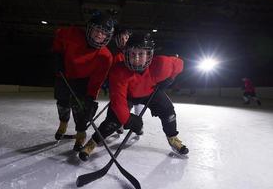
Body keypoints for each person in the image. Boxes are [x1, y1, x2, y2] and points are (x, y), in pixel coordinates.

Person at [78, 33, 189, 161]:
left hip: (150, 93)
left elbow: (179, 64)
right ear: (126, 54)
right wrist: (128, 120)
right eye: (132, 54)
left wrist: (170, 78)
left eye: (141, 54)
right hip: (128, 96)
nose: (136, 59)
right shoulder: (119, 71)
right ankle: (93, 142)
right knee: (113, 121)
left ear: (149, 55)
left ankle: (172, 138)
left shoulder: (161, 64)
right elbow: (118, 100)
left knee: (168, 111)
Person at [52, 11, 115, 151]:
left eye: (104, 33)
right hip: (65, 75)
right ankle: (63, 123)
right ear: (89, 29)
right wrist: (57, 55)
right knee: (62, 102)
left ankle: (81, 133)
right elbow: (58, 35)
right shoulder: (72, 35)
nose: (100, 35)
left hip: (83, 81)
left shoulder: (106, 57)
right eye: (97, 30)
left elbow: (97, 80)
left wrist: (90, 98)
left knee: (80, 110)